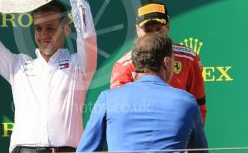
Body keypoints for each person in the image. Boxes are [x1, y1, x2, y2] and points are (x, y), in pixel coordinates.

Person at [0, 0, 97, 153]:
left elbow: (87, 35)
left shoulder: (78, 66)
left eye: (50, 28)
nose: (44, 35)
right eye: (38, 28)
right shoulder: (18, 66)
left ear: (66, 29)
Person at [77, 34, 208, 152]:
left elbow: (86, 150)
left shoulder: (108, 98)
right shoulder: (187, 101)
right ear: (167, 62)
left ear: (134, 64)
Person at [111, 0, 207, 124]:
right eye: (148, 30)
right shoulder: (124, 66)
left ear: (168, 27)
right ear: (138, 30)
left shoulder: (188, 58)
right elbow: (119, 116)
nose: (154, 36)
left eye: (158, 29)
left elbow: (199, 106)